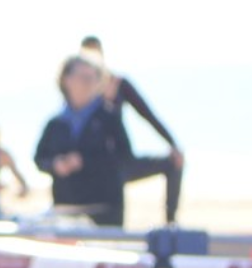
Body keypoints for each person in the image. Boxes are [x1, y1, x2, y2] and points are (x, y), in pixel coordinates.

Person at [34, 51, 181, 227]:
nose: (88, 82)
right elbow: (39, 158)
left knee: (173, 163)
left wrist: (84, 162)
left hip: (103, 213)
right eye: (83, 77)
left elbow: (124, 158)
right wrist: (56, 164)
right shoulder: (56, 123)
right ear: (66, 80)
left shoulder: (108, 116)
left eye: (94, 78)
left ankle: (171, 222)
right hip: (65, 211)